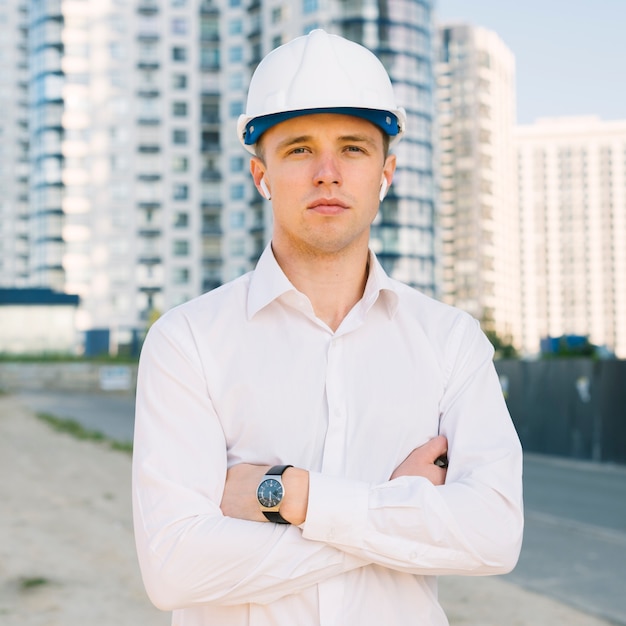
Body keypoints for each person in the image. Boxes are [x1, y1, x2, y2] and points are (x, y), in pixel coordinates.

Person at [132, 29, 523, 626]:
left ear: (386, 172)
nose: (327, 173)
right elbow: (175, 568)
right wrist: (394, 513)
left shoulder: (451, 341)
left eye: (354, 148)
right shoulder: (187, 340)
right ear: (260, 175)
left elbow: (495, 536)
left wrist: (292, 496)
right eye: (297, 150)